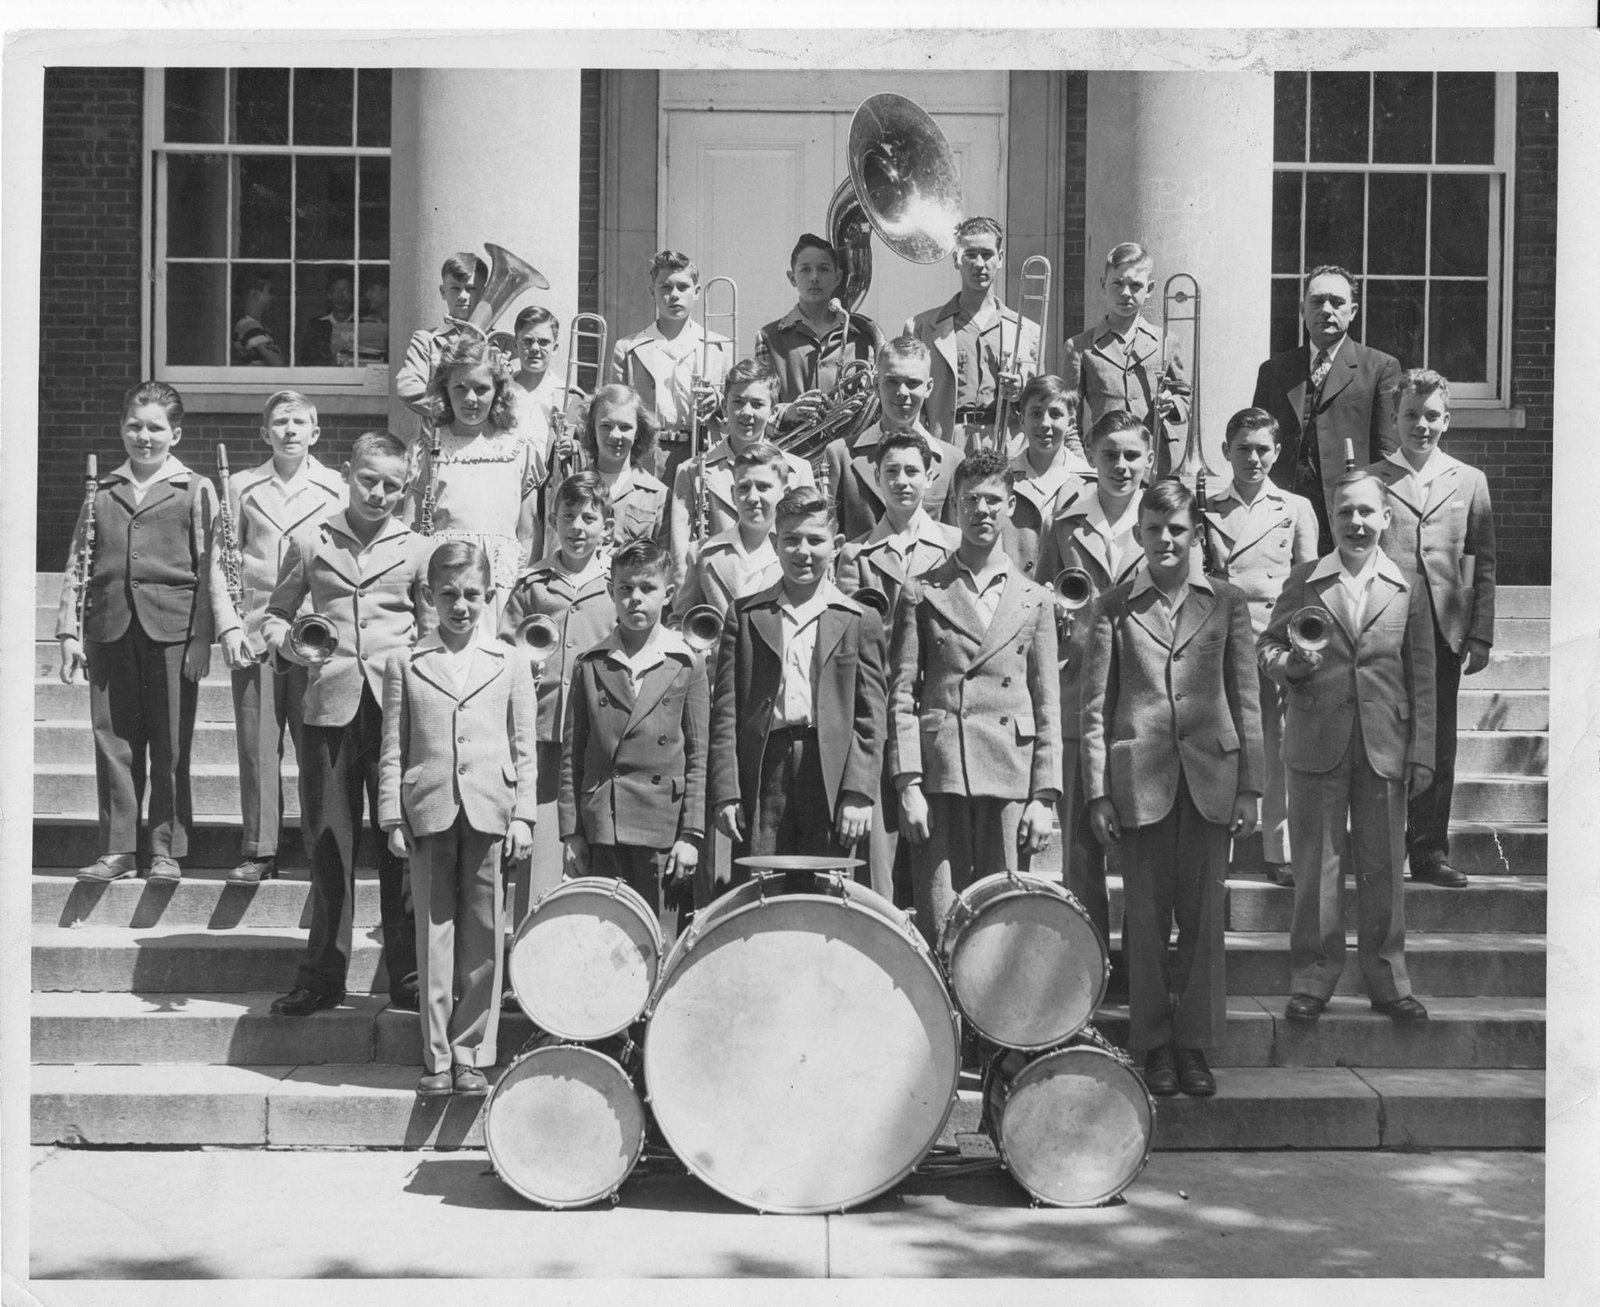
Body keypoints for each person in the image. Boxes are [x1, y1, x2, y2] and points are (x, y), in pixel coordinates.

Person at [1080, 477, 1263, 1099]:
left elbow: (1246, 697)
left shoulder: (1227, 601)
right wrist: (1098, 792)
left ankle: (1195, 1044)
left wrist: (1251, 787)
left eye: (1177, 530)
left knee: (1205, 917)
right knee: (1147, 918)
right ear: (1138, 533)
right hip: (1139, 780)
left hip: (1211, 777)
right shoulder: (1114, 606)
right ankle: (1155, 1043)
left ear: (1195, 536)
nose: (1165, 540)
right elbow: (1095, 708)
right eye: (1154, 529)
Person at [1259, 471, 1437, 1025]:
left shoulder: (1407, 584)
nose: (1356, 523)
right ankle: (1313, 978)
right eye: (1344, 513)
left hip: (1385, 742)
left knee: (1384, 865)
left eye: (1366, 512)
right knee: (1317, 866)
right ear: (1331, 519)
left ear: (1386, 517)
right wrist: (1289, 666)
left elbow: (1423, 674)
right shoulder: (1306, 579)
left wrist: (1423, 750)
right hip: (1315, 737)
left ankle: (1389, 981)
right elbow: (1267, 645)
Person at [261, 431, 427, 1017]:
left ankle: (409, 976)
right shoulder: (311, 539)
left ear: (405, 488)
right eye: (368, 480)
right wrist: (291, 645)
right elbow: (275, 614)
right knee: (330, 842)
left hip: (396, 711)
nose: (378, 493)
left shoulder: (418, 548)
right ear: (347, 473)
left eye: (391, 485)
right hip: (329, 708)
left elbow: (433, 631)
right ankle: (323, 977)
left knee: (398, 842)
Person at [379, 541, 537, 1097]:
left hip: (490, 808)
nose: (461, 606)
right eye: (448, 595)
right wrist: (392, 816)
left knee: (484, 934)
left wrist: (523, 816)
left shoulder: (510, 661)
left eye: (472, 594)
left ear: (489, 595)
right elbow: (393, 746)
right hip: (429, 810)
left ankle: (472, 1051)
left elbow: (523, 745)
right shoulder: (405, 663)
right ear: (429, 596)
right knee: (434, 934)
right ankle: (438, 1056)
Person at [889, 450, 1060, 948]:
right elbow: (902, 694)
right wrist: (908, 783)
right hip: (942, 773)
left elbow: (1047, 704)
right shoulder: (923, 591)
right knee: (939, 919)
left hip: (1010, 773)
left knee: (1002, 926)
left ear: (1010, 505)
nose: (981, 510)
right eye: (970, 500)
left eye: (992, 500)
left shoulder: (1035, 599)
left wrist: (1044, 797)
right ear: (955, 506)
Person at [58, 381, 218, 884]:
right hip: (109, 629)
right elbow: (79, 562)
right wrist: (69, 633)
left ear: (175, 434)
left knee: (170, 743)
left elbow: (210, 566)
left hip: (172, 632)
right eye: (134, 426)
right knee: (114, 742)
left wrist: (201, 638)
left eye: (155, 428)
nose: (143, 437)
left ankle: (166, 849)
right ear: (121, 428)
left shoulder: (194, 488)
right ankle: (119, 849)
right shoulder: (103, 490)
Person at [711, 487, 886, 889]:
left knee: (827, 894)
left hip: (828, 773)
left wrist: (858, 792)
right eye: (791, 540)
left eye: (815, 540)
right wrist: (727, 791)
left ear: (836, 545)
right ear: (775, 543)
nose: (802, 551)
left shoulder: (859, 619)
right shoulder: (745, 615)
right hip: (764, 770)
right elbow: (726, 713)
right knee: (762, 889)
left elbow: (871, 717)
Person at [1366, 369, 1496, 888]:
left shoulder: (1469, 480)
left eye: (1432, 416)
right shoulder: (1373, 479)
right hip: (1385, 625)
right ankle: (1381, 849)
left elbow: (1477, 559)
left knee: (1438, 743)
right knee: (1384, 737)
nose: (1421, 425)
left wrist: (1476, 628)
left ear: (1448, 420)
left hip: (1444, 631)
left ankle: (1428, 852)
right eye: (1411, 415)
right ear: (1394, 419)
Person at [210, 389, 346, 884]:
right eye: (280, 423)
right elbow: (220, 560)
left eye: (299, 422)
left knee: (316, 747)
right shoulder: (242, 486)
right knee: (257, 744)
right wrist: (228, 625)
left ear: (315, 432)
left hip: (313, 634)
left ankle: (319, 848)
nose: (290, 430)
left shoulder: (335, 488)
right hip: (254, 632)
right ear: (265, 432)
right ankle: (260, 849)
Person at [1036, 410, 1155, 952]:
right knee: (1081, 847)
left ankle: (1141, 965)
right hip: (1079, 688)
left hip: (1142, 694)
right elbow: (1041, 594)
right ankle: (1087, 959)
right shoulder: (1064, 522)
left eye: (1132, 455)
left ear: (1148, 459)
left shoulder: (1163, 518)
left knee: (1142, 841)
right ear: (1090, 456)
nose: (1121, 466)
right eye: (1109, 454)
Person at [561, 538, 709, 941]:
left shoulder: (685, 662)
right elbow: (573, 755)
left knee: (657, 939)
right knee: (605, 937)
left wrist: (691, 835)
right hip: (603, 825)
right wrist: (572, 832)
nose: (635, 599)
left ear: (669, 593)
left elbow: (698, 757)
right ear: (611, 591)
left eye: (647, 588)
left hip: (662, 826)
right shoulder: (591, 664)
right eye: (625, 588)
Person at [834, 429, 960, 905]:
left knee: (939, 863)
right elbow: (849, 643)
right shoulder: (856, 555)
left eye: (912, 471)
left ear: (930, 476)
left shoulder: (955, 546)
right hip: (882, 711)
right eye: (891, 472)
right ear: (876, 477)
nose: (902, 481)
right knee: (880, 866)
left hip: (938, 714)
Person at [1199, 407, 1319, 886]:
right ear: (1225, 451)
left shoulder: (1295, 507)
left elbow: (1309, 581)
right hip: (1220, 640)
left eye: (1263, 449)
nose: (1253, 458)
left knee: (1277, 746)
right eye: (1243, 449)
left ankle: (1279, 851)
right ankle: (1216, 849)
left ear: (1278, 451)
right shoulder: (1207, 505)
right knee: (1220, 747)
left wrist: (1297, 643)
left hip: (1273, 639)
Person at [497, 472, 616, 917]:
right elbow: (505, 650)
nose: (577, 527)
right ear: (553, 521)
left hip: (601, 737)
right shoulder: (532, 584)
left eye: (589, 518)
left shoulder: (616, 586)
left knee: (600, 850)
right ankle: (533, 946)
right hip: (544, 732)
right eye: (568, 517)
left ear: (607, 526)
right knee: (542, 858)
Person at [1252, 264, 1402, 552]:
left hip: (1348, 512)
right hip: (1284, 513)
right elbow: (1257, 444)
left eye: (1337, 302)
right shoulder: (1273, 370)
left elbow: (1387, 455)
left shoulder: (1380, 368)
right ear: (1303, 310)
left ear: (1353, 311)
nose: (1326, 310)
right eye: (1317, 301)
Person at [407, 334, 542, 624]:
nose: (470, 399)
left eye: (481, 389)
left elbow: (528, 533)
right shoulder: (429, 447)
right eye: (460, 388)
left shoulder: (517, 448)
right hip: (443, 580)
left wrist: (523, 589)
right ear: (445, 389)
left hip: (500, 583)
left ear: (498, 391)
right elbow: (412, 529)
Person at [668, 358, 812, 589]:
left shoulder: (798, 471)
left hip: (778, 592)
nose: (746, 412)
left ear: (773, 411)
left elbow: (807, 542)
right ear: (725, 407)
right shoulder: (691, 471)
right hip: (714, 594)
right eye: (738, 402)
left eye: (757, 404)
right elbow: (680, 555)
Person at [902, 216, 1038, 454]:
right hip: (945, 446)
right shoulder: (920, 327)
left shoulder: (1027, 331)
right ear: (956, 259)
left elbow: (1041, 401)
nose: (979, 264)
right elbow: (910, 399)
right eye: (970, 255)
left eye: (987, 254)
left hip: (1007, 447)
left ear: (1000, 258)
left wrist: (1020, 393)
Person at [1061, 241, 1190, 475]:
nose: (1125, 293)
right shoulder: (1079, 347)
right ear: (1103, 285)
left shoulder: (1167, 341)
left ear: (1149, 289)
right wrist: (1084, 465)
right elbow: (1069, 419)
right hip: (1106, 463)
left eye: (1136, 285)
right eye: (1117, 283)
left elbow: (1186, 400)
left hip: (1158, 462)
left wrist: (1172, 404)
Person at [819, 335, 964, 542]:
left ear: (929, 387)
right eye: (892, 382)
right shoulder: (841, 455)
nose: (902, 392)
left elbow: (954, 541)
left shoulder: (951, 460)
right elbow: (829, 538)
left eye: (913, 383)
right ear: (876, 385)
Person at [608, 249, 731, 487]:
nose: (674, 295)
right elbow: (615, 411)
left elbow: (733, 406)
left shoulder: (720, 347)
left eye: (682, 287)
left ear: (697, 292)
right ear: (652, 292)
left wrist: (717, 399)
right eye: (665, 287)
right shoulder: (628, 348)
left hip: (702, 450)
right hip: (647, 453)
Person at [755, 233, 880, 428]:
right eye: (805, 269)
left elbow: (875, 405)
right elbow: (759, 409)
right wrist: (788, 413)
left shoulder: (863, 337)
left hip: (850, 446)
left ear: (837, 277)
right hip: (792, 446)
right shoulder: (768, 337)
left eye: (823, 269)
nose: (814, 277)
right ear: (792, 278)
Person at [674, 441, 788, 624]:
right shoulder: (703, 554)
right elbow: (680, 622)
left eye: (763, 487)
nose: (752, 498)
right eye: (744, 488)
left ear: (785, 493)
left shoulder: (798, 553)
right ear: (733, 493)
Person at [1004, 374, 1091, 580]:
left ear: (1071, 422)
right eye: (1036, 413)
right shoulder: (1003, 478)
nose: (1045, 423)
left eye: (1055, 414)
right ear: (1022, 420)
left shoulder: (1089, 483)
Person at [395, 252, 487, 419]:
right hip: (440, 432)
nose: (462, 296)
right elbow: (407, 387)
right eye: (455, 288)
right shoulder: (426, 340)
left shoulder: (499, 341)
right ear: (443, 291)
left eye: (471, 289)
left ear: (484, 293)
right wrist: (454, 410)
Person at [298, 267, 357, 367]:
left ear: (353, 294)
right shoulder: (316, 325)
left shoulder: (361, 324)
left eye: (346, 290)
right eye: (336, 290)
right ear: (329, 295)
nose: (340, 295)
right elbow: (306, 358)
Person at [232, 273, 286, 367]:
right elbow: (278, 363)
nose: (272, 297)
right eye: (269, 292)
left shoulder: (250, 325)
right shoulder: (249, 325)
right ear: (255, 294)